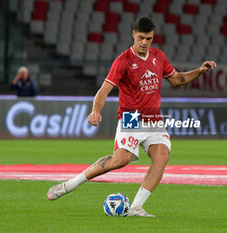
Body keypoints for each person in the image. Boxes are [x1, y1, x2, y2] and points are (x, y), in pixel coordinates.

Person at [47, 17, 217, 217]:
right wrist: (95, 110)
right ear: (134, 34)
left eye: (149, 39)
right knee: (121, 159)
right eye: (142, 38)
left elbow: (177, 80)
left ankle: (136, 207)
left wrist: (200, 70)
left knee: (162, 157)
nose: (145, 43)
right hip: (132, 118)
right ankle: (70, 185)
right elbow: (104, 90)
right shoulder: (123, 60)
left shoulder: (158, 56)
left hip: (154, 118)